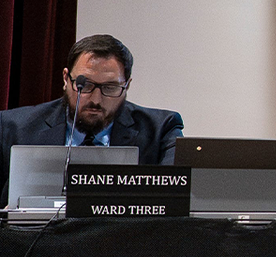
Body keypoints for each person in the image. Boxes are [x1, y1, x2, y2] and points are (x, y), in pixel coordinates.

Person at [0, 34, 183, 204]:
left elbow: (172, 206)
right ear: (66, 79)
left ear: (127, 86)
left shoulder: (161, 131)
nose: (95, 100)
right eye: (84, 85)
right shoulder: (11, 128)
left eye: (110, 87)